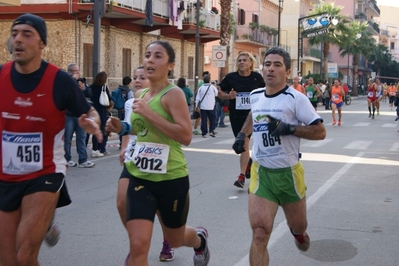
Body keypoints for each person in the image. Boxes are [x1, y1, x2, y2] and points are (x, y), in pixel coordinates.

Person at [0, 13, 102, 266]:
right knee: (7, 259)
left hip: (45, 172)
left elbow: (89, 111)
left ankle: (44, 219)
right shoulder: (1, 75)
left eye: (27, 34)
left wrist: (92, 122)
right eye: (14, 34)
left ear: (42, 44)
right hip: (6, 175)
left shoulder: (60, 81)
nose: (18, 40)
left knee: (25, 255)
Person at [106, 40, 210, 266]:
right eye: (147, 55)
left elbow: (185, 136)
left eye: (158, 56)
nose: (150, 60)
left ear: (170, 65)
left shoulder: (173, 94)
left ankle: (199, 240)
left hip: (171, 178)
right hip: (140, 176)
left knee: (176, 238)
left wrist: (150, 114)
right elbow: (141, 128)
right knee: (137, 247)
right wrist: (121, 127)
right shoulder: (141, 93)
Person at [232, 47, 326, 265]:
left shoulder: (296, 98)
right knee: (259, 233)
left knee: (299, 227)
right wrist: (242, 135)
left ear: (288, 71)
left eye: (277, 65)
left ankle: (298, 233)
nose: (271, 69)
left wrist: (289, 129)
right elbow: (252, 116)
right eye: (267, 64)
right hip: (261, 173)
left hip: (289, 175)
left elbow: (320, 131)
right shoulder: (256, 96)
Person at [117, 66, 174, 263]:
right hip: (135, 155)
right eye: (135, 77)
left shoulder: (164, 100)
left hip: (158, 157)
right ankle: (137, 243)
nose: (138, 80)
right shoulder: (130, 102)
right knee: (122, 202)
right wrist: (124, 148)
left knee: (159, 208)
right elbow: (128, 127)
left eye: (142, 77)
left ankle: (167, 241)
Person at [217, 51, 265, 188]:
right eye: (239, 60)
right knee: (240, 145)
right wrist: (227, 96)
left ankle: (241, 176)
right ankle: (248, 163)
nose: (242, 62)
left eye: (244, 60)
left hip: (252, 116)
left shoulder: (257, 78)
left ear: (251, 63)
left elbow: (266, 92)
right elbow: (219, 91)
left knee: (244, 142)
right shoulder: (231, 78)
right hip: (236, 116)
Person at [64, 63, 95, 168]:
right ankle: (67, 159)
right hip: (68, 114)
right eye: (74, 71)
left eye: (78, 71)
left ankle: (83, 159)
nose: (77, 73)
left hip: (81, 115)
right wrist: (72, 80)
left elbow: (90, 94)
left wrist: (84, 89)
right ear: (69, 72)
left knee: (81, 137)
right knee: (67, 138)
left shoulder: (82, 81)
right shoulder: (66, 81)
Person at [89, 71, 113, 157]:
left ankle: (95, 149)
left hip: (93, 112)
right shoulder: (103, 88)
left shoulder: (91, 87)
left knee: (95, 130)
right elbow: (109, 99)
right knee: (102, 130)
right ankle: (98, 149)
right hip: (101, 112)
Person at [112, 76, 133, 148]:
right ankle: (124, 144)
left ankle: (121, 142)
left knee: (121, 125)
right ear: (129, 83)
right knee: (126, 126)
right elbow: (131, 101)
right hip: (126, 111)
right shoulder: (129, 91)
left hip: (119, 110)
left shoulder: (119, 89)